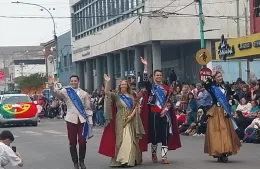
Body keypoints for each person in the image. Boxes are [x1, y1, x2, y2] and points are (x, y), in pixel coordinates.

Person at [139, 57, 181, 164]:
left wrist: (165, 110)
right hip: (153, 114)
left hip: (165, 115)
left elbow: (169, 101)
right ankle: (154, 154)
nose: (159, 77)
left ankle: (164, 156)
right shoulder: (151, 87)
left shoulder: (166, 88)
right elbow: (145, 80)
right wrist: (145, 66)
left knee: (165, 136)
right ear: (153, 76)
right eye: (157, 75)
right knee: (154, 136)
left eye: (160, 75)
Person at [99, 74, 145, 167]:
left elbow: (135, 107)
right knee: (120, 140)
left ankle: (129, 160)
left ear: (127, 86)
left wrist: (131, 116)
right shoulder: (117, 95)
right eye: (122, 84)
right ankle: (120, 160)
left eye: (125, 84)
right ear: (119, 86)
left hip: (131, 118)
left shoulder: (132, 96)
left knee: (130, 139)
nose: (123, 86)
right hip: (120, 119)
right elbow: (107, 92)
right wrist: (107, 82)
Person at [48, 75, 93, 169]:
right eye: (71, 81)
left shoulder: (84, 94)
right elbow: (56, 93)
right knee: (72, 142)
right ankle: (75, 162)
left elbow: (88, 108)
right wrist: (51, 85)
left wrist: (90, 121)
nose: (73, 82)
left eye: (75, 81)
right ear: (70, 82)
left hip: (82, 120)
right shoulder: (66, 91)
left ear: (78, 82)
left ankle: (82, 161)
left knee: (82, 141)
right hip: (71, 120)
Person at [203, 71, 241, 162]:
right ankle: (219, 151)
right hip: (216, 110)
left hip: (225, 110)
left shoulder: (225, 86)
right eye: (218, 76)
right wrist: (209, 78)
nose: (220, 78)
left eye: (220, 76)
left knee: (226, 131)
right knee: (216, 131)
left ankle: (225, 151)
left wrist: (232, 101)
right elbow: (205, 85)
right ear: (215, 78)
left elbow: (232, 94)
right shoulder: (212, 87)